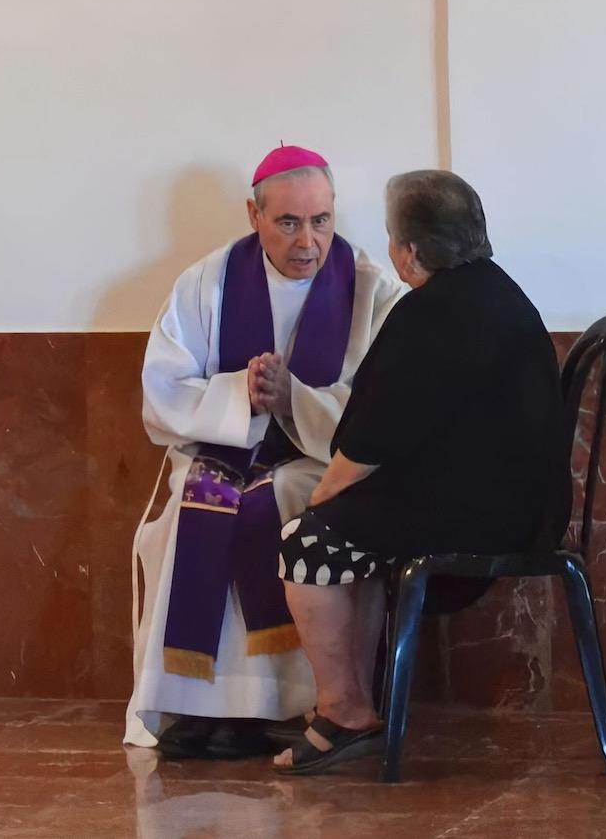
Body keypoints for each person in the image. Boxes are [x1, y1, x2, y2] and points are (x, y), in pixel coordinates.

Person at [272, 170, 569, 774]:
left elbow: (369, 438)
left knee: (307, 544)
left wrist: (321, 506)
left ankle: (345, 712)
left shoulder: (432, 313)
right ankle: (355, 706)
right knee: (348, 536)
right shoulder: (496, 292)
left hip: (483, 515)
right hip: (524, 501)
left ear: (409, 251)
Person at [124, 146, 406, 759]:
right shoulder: (207, 281)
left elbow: (382, 407)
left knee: (283, 497)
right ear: (254, 214)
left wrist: (294, 402)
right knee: (196, 506)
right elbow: (164, 388)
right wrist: (241, 394)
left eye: (321, 221)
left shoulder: (369, 288)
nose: (309, 241)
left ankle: (287, 703)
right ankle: (197, 707)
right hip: (226, 448)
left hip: (318, 461)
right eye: (289, 222)